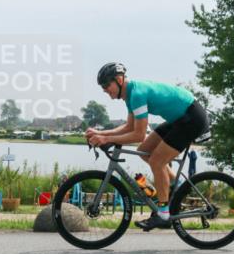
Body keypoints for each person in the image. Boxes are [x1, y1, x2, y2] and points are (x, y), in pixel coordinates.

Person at [86, 62, 210, 230]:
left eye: (107, 85)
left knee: (157, 162)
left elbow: (138, 134)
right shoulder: (129, 95)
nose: (105, 89)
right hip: (180, 118)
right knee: (144, 151)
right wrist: (101, 134)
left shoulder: (137, 94)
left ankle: (164, 214)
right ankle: (178, 185)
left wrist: (106, 140)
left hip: (191, 118)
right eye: (103, 87)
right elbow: (129, 127)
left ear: (119, 79)